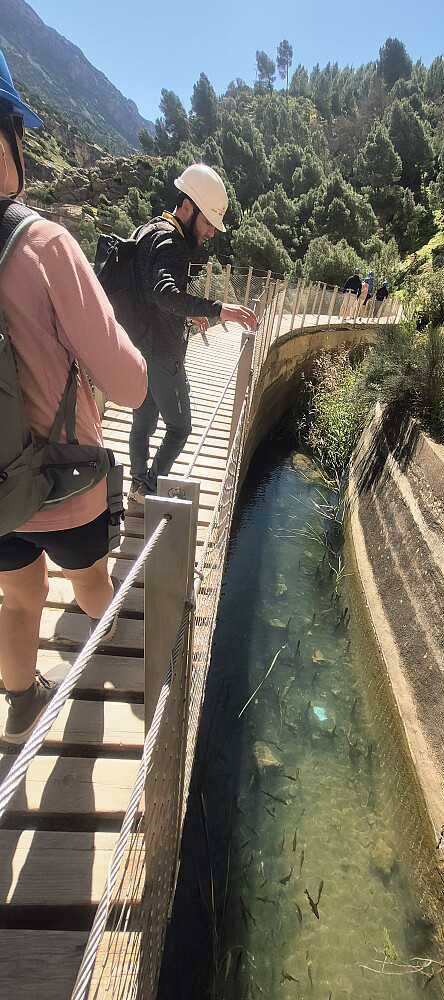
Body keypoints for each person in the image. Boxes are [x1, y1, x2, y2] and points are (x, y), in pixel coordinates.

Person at [0, 49, 147, 744]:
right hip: (66, 487)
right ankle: (111, 640)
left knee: (18, 595)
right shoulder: (44, 245)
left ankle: (21, 697)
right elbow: (127, 382)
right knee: (89, 578)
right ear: (13, 139)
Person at [128, 164, 257, 505]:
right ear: (187, 207)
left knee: (142, 419)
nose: (212, 232)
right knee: (180, 428)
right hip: (162, 354)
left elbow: (152, 295)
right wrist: (220, 309)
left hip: (139, 347)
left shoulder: (151, 230)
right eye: (208, 222)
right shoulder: (173, 243)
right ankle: (152, 487)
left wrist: (192, 312)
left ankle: (138, 481)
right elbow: (163, 292)